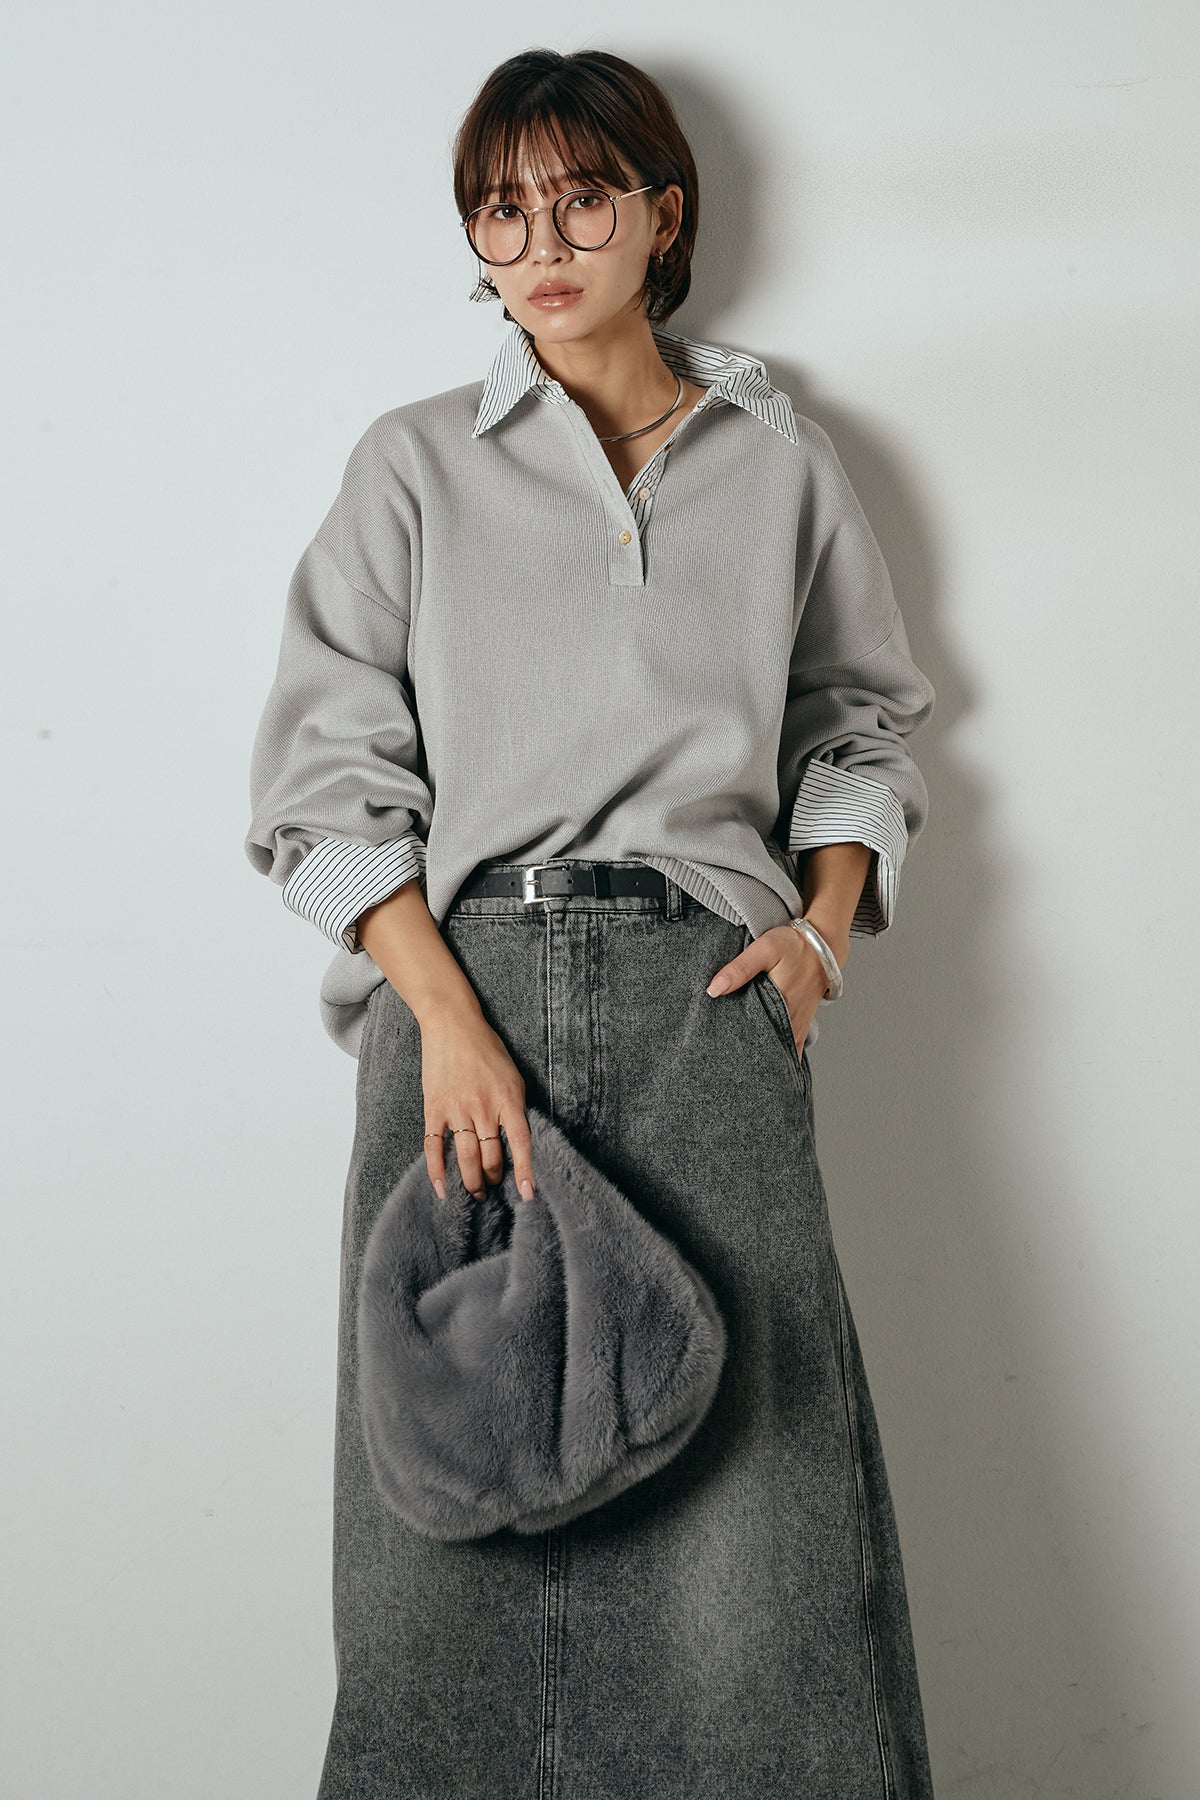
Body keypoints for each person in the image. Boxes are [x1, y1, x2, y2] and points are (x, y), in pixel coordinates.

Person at [244, 44, 938, 1800]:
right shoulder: (413, 465)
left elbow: (862, 725)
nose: (541, 246)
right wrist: (448, 1022)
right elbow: (319, 790)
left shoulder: (779, 464)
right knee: (439, 1545)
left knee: (762, 1545)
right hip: (456, 1006)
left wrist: (822, 935)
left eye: (581, 201)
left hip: (707, 1004)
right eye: (501, 211)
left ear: (662, 215)